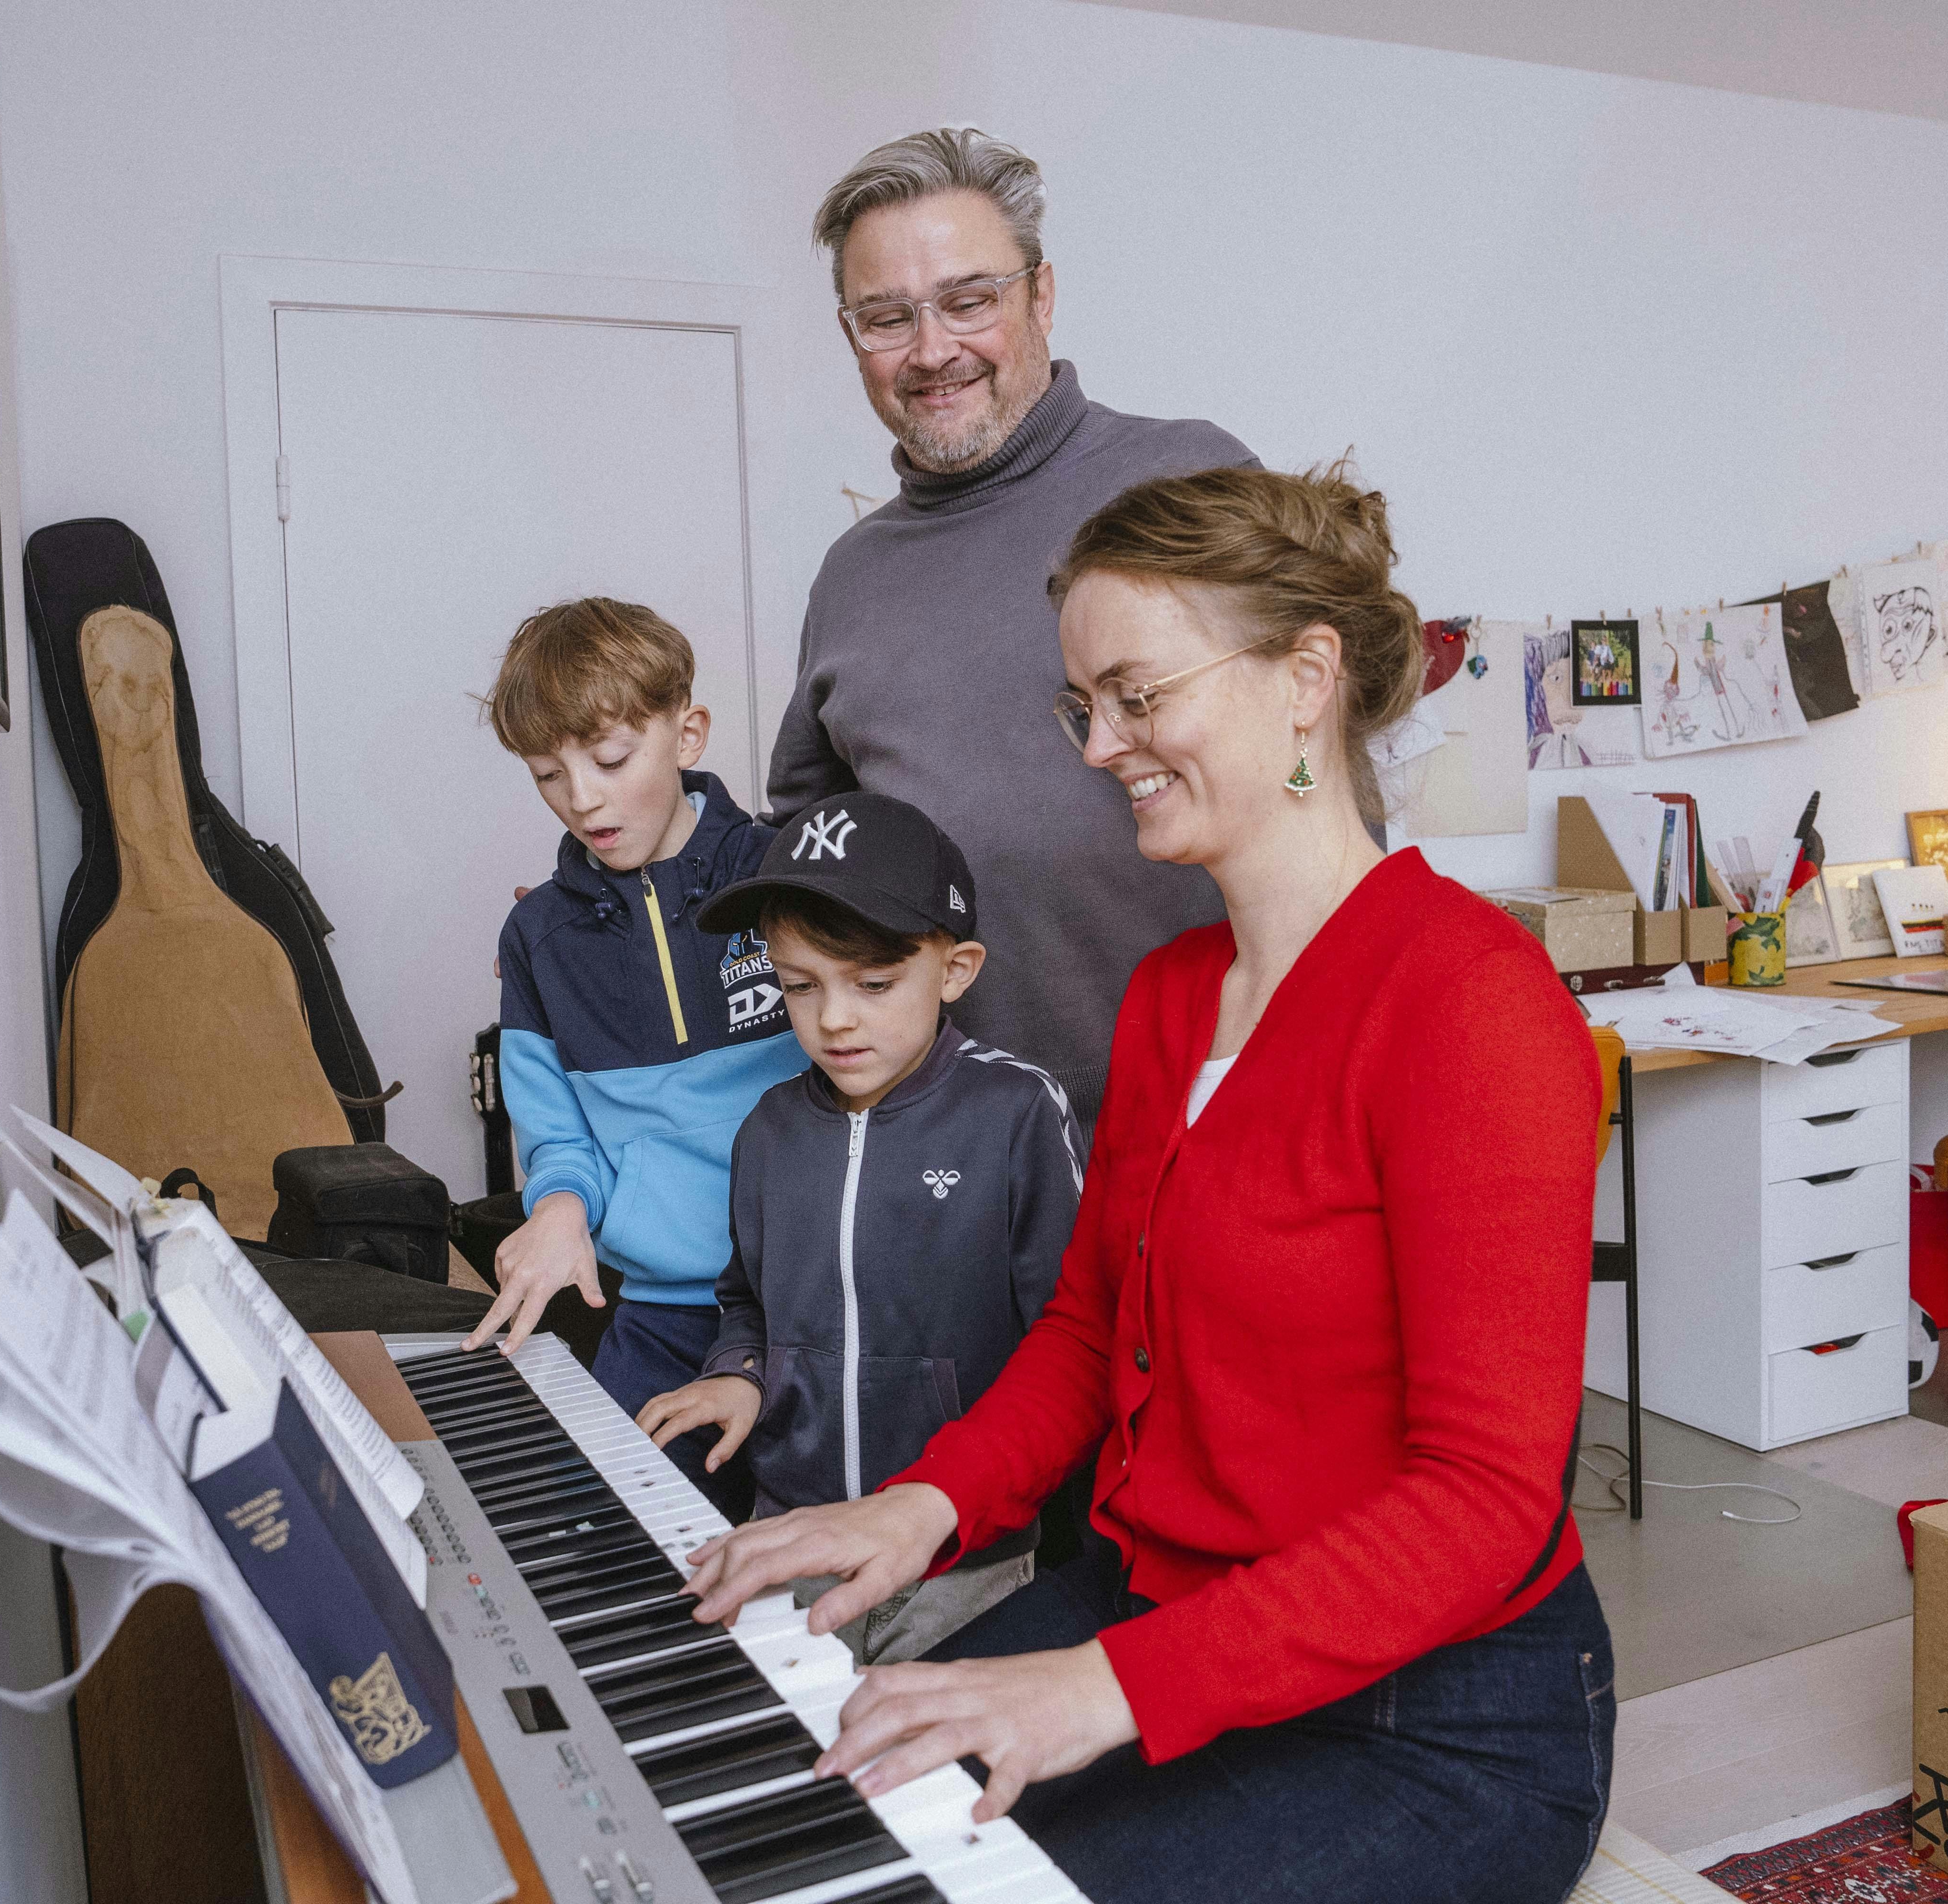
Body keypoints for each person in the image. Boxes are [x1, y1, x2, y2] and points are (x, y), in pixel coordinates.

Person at [679, 465, 1612, 1904]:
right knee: (802, 1824)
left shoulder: (1471, 1005)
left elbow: (1485, 1502)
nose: (1101, 745)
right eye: (1084, 708)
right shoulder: (1175, 993)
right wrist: (918, 1512)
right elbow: (1086, 1325)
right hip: (1156, 1612)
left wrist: (1098, 1690)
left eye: (1137, 696)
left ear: (1305, 680)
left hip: (1430, 1720)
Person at [768, 126, 1260, 1130]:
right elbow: (806, 855)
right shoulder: (850, 577)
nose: (932, 350)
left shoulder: (1190, 484)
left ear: (1039, 296)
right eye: (887, 318)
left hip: (1216, 1128)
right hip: (959, 1169)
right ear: (849, 335)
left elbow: (1327, 781)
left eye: (968, 299)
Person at [634, 792, 1084, 1664]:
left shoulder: (1017, 1110)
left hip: (963, 1565)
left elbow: (1072, 1339)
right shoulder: (767, 1130)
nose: (834, 1018)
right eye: (799, 986)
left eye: (873, 984)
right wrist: (741, 1376)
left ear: (955, 970)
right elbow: (747, 1306)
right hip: (791, 1537)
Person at [470, 599, 808, 1514]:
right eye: (549, 775)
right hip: (660, 1313)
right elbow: (558, 1137)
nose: (583, 798)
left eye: (612, 760)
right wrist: (560, 1211)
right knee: (613, 1537)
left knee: (814, 1561)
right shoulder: (539, 938)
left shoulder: (790, 875)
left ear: (687, 732)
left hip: (816, 1299)